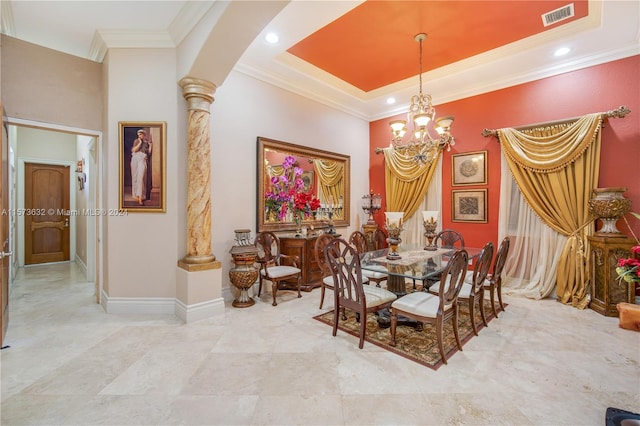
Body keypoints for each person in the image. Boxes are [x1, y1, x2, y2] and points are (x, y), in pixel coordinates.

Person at [130, 129, 152, 205]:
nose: (140, 135)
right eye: (139, 134)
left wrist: (151, 145)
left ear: (144, 135)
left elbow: (148, 154)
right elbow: (134, 150)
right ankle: (136, 195)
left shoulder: (146, 143)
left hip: (142, 159)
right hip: (135, 158)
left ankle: (140, 197)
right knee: (135, 177)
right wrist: (139, 143)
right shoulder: (136, 141)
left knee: (141, 177)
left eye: (141, 134)